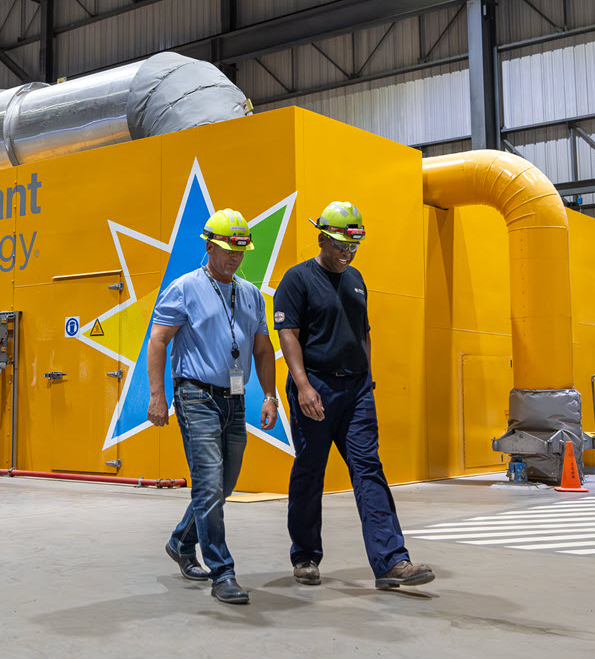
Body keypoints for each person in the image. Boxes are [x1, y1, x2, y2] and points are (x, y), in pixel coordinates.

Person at [273, 201, 434, 589]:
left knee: (368, 470)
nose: (348, 252)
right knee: (311, 473)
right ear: (322, 239)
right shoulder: (297, 280)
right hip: (317, 389)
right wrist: (305, 386)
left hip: (357, 389)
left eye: (353, 246)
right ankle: (306, 556)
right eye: (341, 245)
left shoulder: (357, 278)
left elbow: (365, 333)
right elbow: (288, 335)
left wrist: (368, 378)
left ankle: (392, 562)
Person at [147, 209, 280, 605]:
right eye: (226, 250)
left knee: (223, 486)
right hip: (195, 397)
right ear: (209, 246)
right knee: (207, 484)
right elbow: (158, 341)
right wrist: (157, 396)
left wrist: (270, 396)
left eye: (240, 251)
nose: (234, 258)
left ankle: (180, 542)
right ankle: (223, 571)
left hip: (234, 400)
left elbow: (261, 348)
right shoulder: (184, 288)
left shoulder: (250, 293)